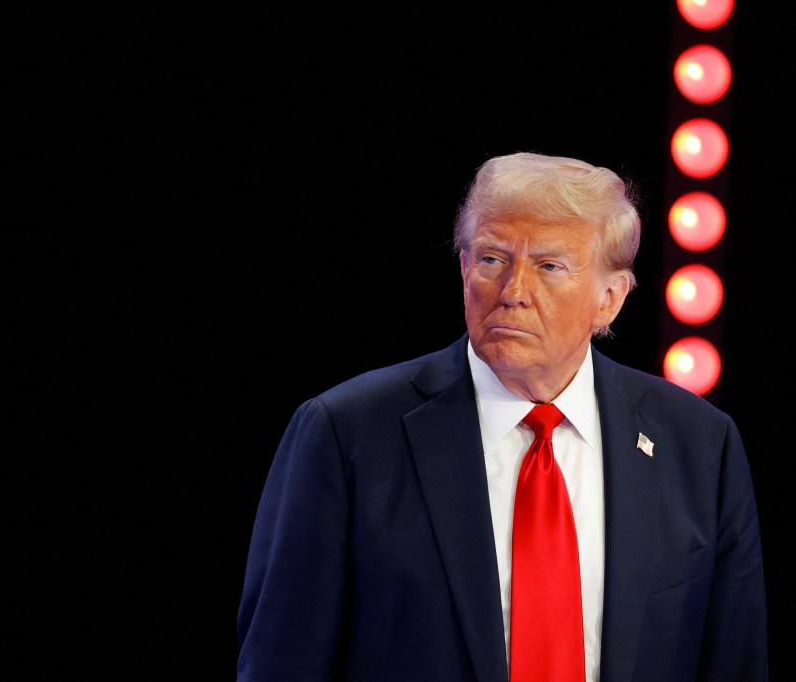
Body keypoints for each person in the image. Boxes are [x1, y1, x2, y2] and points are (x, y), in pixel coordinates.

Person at [236, 151, 768, 681]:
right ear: (464, 266)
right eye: (492, 259)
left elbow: (734, 661)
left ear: (610, 298)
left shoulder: (700, 444)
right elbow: (283, 662)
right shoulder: (344, 433)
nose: (513, 293)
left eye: (549, 266)